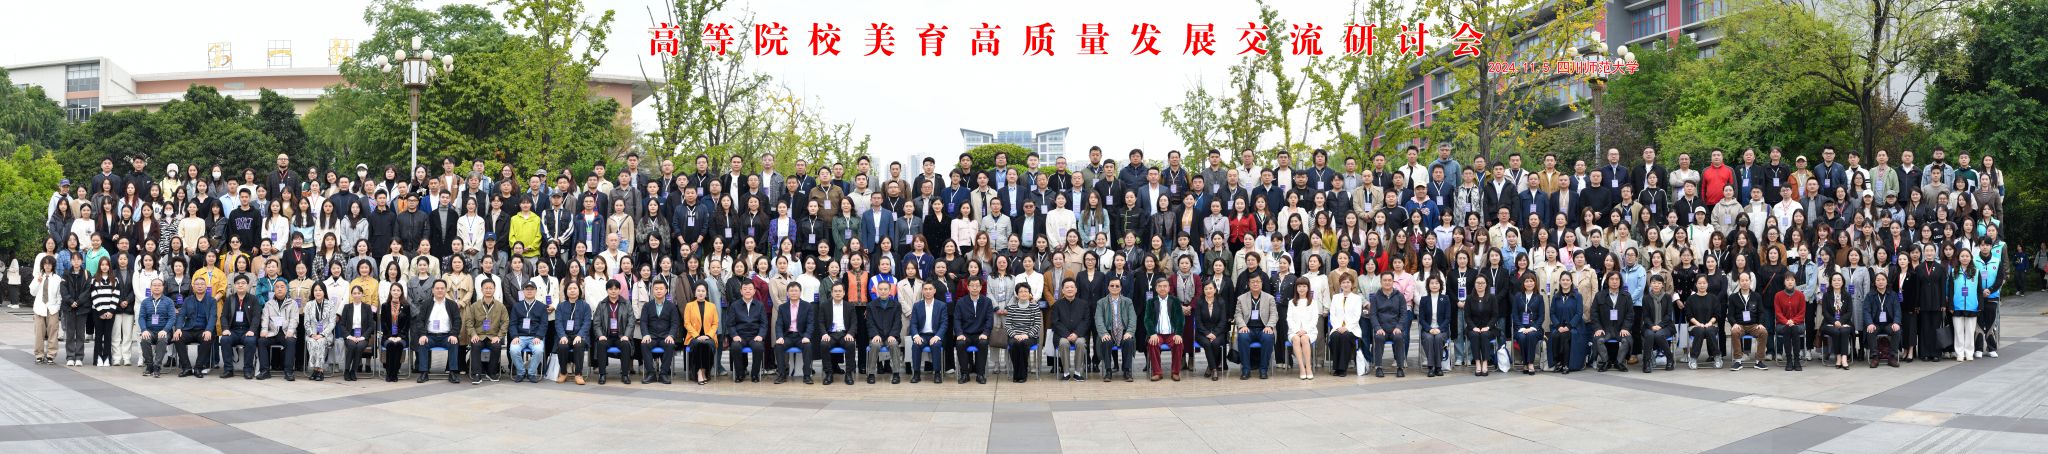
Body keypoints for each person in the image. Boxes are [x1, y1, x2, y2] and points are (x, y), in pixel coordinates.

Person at [413, 279, 464, 383]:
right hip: (430, 336)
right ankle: (424, 372)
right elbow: (420, 320)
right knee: (422, 343)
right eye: (437, 288)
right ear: (433, 290)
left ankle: (453, 372)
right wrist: (423, 334)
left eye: (442, 288)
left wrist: (454, 334)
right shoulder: (426, 304)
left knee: (454, 342)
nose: (440, 290)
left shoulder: (452, 304)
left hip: (447, 336)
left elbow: (457, 321)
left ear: (446, 290)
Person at [587, 280, 635, 385]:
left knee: (626, 344)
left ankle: (625, 374)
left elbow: (631, 321)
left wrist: (626, 335)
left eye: (615, 289)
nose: (613, 291)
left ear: (619, 290)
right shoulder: (602, 304)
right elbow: (596, 323)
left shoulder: (626, 303)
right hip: (606, 336)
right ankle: (602, 374)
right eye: (610, 289)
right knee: (601, 344)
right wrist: (600, 335)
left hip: (621, 336)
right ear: (607, 290)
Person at [1234, 273, 1278, 380]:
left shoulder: (1269, 298)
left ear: (1262, 283)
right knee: (1242, 337)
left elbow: (1274, 314)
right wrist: (1242, 326)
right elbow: (1238, 314)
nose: (1255, 284)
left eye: (1257, 281)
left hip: (1264, 328)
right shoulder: (1241, 298)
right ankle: (1246, 370)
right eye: (1252, 282)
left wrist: (1269, 326)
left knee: (1268, 337)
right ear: (1249, 284)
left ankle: (1263, 369)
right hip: (1248, 328)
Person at [464, 279, 509, 384]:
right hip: (479, 335)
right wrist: (473, 334)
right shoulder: (474, 306)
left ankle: (492, 372)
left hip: (493, 336)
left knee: (496, 346)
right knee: (475, 345)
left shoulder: (500, 306)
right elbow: (469, 322)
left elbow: (505, 322)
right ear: (481, 290)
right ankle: (477, 374)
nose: (488, 290)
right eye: (486, 288)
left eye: (490, 288)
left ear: (494, 289)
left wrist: (499, 336)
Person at [636, 280, 680, 384]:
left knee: (670, 344)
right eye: (656, 289)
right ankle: (651, 373)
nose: (659, 291)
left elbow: (675, 323)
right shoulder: (647, 306)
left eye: (661, 289)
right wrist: (646, 334)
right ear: (652, 291)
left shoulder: (672, 306)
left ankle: (663, 374)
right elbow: (643, 322)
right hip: (651, 336)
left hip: (665, 336)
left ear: (666, 290)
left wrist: (671, 335)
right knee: (644, 344)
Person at [773, 281, 816, 384]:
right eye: (791, 291)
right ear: (787, 293)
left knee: (808, 346)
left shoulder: (807, 306)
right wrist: (780, 337)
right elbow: (779, 324)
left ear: (800, 292)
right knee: (778, 346)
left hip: (801, 336)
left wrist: (807, 336)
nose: (793, 293)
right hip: (787, 336)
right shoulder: (782, 307)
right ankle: (782, 375)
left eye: (796, 290)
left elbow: (810, 324)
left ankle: (807, 375)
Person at [1094, 278, 1137, 382]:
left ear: (1121, 288)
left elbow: (1133, 318)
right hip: (1108, 331)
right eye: (1112, 285)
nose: (1114, 287)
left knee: (1129, 341)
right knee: (1106, 342)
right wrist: (1104, 333)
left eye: (1117, 286)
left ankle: (1127, 370)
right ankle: (1108, 371)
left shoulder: (1128, 302)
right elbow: (1098, 319)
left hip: (1124, 331)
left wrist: (1130, 332)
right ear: (1108, 287)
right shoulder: (1101, 302)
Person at [1369, 271, 1410, 377]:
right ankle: (1378, 367)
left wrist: (1399, 327)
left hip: (1395, 328)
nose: (1387, 282)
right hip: (1381, 328)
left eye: (1389, 280)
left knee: (1399, 337)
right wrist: (1377, 328)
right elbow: (1373, 315)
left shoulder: (1399, 296)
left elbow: (1403, 314)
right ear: (1381, 282)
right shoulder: (1375, 297)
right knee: (1378, 338)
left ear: (1393, 282)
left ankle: (1400, 367)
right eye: (1385, 280)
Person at [816, 283, 858, 385]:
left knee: (851, 344)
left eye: (840, 291)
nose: (837, 293)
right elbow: (820, 322)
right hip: (830, 334)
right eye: (835, 291)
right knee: (824, 344)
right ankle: (829, 373)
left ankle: (849, 373)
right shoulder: (824, 305)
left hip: (844, 334)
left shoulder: (850, 306)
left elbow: (854, 323)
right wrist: (824, 334)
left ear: (844, 293)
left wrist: (850, 334)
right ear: (831, 293)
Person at [1722, 273, 1767, 371]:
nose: (1744, 282)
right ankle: (1738, 361)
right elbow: (1730, 315)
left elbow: (1761, 312)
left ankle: (1759, 361)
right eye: (1742, 280)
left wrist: (1760, 324)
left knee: (1763, 332)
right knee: (1734, 332)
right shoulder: (1733, 297)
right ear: (1739, 282)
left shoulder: (1756, 296)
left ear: (1750, 281)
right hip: (1740, 325)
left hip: (1754, 325)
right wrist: (1734, 324)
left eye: (1747, 280)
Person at [907, 281, 949, 383]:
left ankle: (937, 373)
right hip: (921, 335)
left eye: (930, 289)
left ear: (934, 291)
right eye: (925, 289)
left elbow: (944, 324)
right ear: (922, 291)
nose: (928, 291)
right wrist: (916, 336)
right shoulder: (917, 305)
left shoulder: (941, 305)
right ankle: (916, 373)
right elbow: (913, 323)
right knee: (916, 345)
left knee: (936, 345)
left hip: (935, 335)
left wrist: (937, 336)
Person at [257, 285, 302, 380]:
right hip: (272, 332)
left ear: (286, 290)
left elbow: (294, 319)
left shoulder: (292, 303)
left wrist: (291, 330)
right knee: (261, 341)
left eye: (282, 287)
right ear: (274, 290)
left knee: (291, 341)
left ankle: (289, 372)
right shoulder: (269, 304)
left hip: (286, 332)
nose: (280, 289)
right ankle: (264, 371)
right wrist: (264, 329)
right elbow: (265, 318)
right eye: (277, 287)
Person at [218, 275, 260, 378]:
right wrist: (225, 329)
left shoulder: (253, 299)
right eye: (238, 283)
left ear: (247, 285)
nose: (240, 285)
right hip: (233, 331)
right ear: (234, 285)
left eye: (243, 283)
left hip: (247, 331)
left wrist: (252, 330)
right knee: (225, 339)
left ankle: (248, 370)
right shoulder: (230, 299)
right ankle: (228, 370)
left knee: (251, 340)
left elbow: (256, 317)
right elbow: (223, 316)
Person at [1001, 282, 1043, 383]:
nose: (1023, 293)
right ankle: (1018, 373)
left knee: (1023, 344)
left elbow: (1037, 325)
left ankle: (1022, 374)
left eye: (1026, 291)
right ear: (1017, 294)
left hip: (1030, 337)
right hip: (1014, 336)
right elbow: (1008, 325)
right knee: (1015, 344)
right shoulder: (1012, 308)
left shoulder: (1035, 307)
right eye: (1021, 291)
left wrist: (1026, 335)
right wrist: (1015, 335)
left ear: (1029, 293)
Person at [726, 282, 768, 383]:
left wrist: (760, 335)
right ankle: (740, 374)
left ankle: (755, 374)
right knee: (735, 347)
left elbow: (764, 323)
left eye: (750, 289)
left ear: (754, 291)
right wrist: (734, 335)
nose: (747, 291)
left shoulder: (760, 305)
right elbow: (730, 324)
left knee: (758, 347)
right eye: (745, 289)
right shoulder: (734, 305)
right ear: (741, 291)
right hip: (740, 336)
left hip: (755, 336)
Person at [866, 281, 904, 384]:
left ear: (890, 290)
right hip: (877, 335)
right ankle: (871, 374)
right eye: (881, 289)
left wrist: (893, 335)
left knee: (894, 344)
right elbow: (870, 323)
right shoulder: (871, 305)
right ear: (877, 290)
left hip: (891, 335)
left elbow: (898, 322)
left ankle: (896, 373)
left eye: (885, 289)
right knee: (875, 345)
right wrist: (875, 335)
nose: (883, 291)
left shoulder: (896, 305)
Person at [683, 283, 720, 385]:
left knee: (707, 344)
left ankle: (705, 371)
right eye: (698, 291)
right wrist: (697, 336)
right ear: (695, 293)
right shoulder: (689, 306)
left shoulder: (712, 306)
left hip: (709, 336)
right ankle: (699, 372)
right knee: (698, 343)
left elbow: (715, 323)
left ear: (706, 293)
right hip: (693, 337)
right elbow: (687, 323)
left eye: (703, 291)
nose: (701, 293)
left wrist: (708, 335)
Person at [1327, 273, 1364, 377]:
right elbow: (1332, 314)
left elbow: (1357, 316)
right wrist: (1338, 327)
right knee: (1335, 337)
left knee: (1345, 336)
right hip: (1337, 327)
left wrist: (1346, 328)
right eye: (1343, 282)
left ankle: (1342, 368)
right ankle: (1336, 368)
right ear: (1340, 284)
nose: (1346, 284)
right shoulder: (1335, 297)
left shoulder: (1357, 298)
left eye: (1348, 282)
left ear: (1352, 284)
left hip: (1352, 329)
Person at [554, 282, 591, 385]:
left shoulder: (585, 306)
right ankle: (563, 372)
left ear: (579, 291)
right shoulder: (561, 306)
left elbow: (587, 322)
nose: (572, 290)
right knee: (562, 346)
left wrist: (580, 335)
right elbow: (558, 322)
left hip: (579, 335)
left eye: (575, 288)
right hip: (565, 335)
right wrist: (562, 336)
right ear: (566, 291)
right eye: (570, 288)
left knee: (579, 345)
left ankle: (578, 374)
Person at [137, 278, 175, 377]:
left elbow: (172, 318)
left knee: (162, 338)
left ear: (163, 287)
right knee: (144, 339)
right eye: (154, 285)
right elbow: (141, 317)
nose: (157, 287)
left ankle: (157, 366)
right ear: (150, 287)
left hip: (164, 331)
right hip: (150, 331)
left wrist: (165, 330)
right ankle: (149, 365)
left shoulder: (169, 301)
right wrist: (144, 330)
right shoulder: (145, 302)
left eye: (159, 285)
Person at [1863, 273, 1902, 368]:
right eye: (1878, 280)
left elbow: (1897, 310)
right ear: (1875, 282)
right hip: (1875, 323)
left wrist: (1896, 323)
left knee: (1896, 330)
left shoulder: (1893, 295)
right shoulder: (1870, 295)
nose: (1880, 282)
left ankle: (1892, 357)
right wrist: (1869, 323)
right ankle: (1875, 357)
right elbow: (1866, 311)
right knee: (1870, 330)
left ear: (1886, 281)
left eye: (1883, 279)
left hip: (1889, 323)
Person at [30, 257, 62, 365]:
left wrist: (57, 307)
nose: (47, 266)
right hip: (39, 308)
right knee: (39, 332)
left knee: (53, 332)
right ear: (42, 265)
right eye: (45, 264)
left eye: (49, 264)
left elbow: (59, 295)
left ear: (53, 266)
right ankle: (39, 355)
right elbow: (32, 292)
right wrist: (38, 282)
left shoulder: (57, 278)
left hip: (52, 308)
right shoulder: (38, 276)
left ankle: (51, 355)